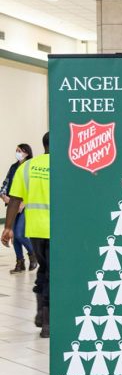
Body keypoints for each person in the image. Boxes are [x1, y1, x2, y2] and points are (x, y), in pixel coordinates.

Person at [1, 133, 50, 337]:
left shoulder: (27, 166)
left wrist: (8, 227)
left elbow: (14, 198)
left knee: (44, 270)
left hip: (35, 229)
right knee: (53, 274)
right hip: (59, 230)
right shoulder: (66, 166)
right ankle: (47, 322)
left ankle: (40, 313)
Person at [1, 143, 36, 274]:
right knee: (14, 236)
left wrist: (24, 203)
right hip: (13, 205)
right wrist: (3, 195)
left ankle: (33, 255)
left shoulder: (32, 167)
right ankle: (19, 263)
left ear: (27, 152)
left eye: (20, 151)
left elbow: (33, 188)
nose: (17, 153)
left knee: (20, 234)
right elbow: (6, 183)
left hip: (25, 206)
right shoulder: (14, 167)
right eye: (16, 151)